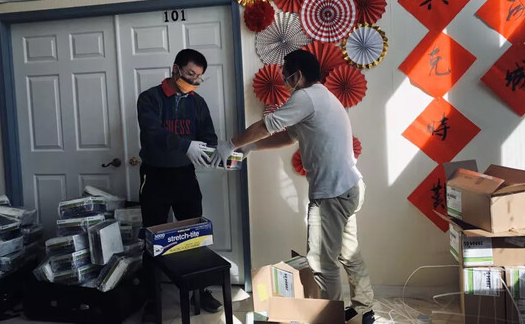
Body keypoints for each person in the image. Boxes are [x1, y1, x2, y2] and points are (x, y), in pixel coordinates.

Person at [211, 50, 376, 323]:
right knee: (349, 253)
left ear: (297, 75)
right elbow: (288, 136)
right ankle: (364, 308)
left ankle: (329, 319)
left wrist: (231, 144)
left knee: (323, 264)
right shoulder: (322, 96)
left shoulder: (305, 97)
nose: (284, 81)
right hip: (350, 188)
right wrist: (251, 146)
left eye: (286, 75)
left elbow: (267, 126)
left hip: (331, 194)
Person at [137, 49, 222, 320]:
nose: (194, 81)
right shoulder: (149, 98)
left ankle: (200, 290)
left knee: (193, 237)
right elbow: (152, 133)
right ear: (175, 69)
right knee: (153, 240)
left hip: (185, 176)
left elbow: (209, 136)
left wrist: (215, 154)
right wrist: (184, 144)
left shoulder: (198, 103)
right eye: (189, 74)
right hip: (155, 176)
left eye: (199, 77)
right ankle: (152, 299)